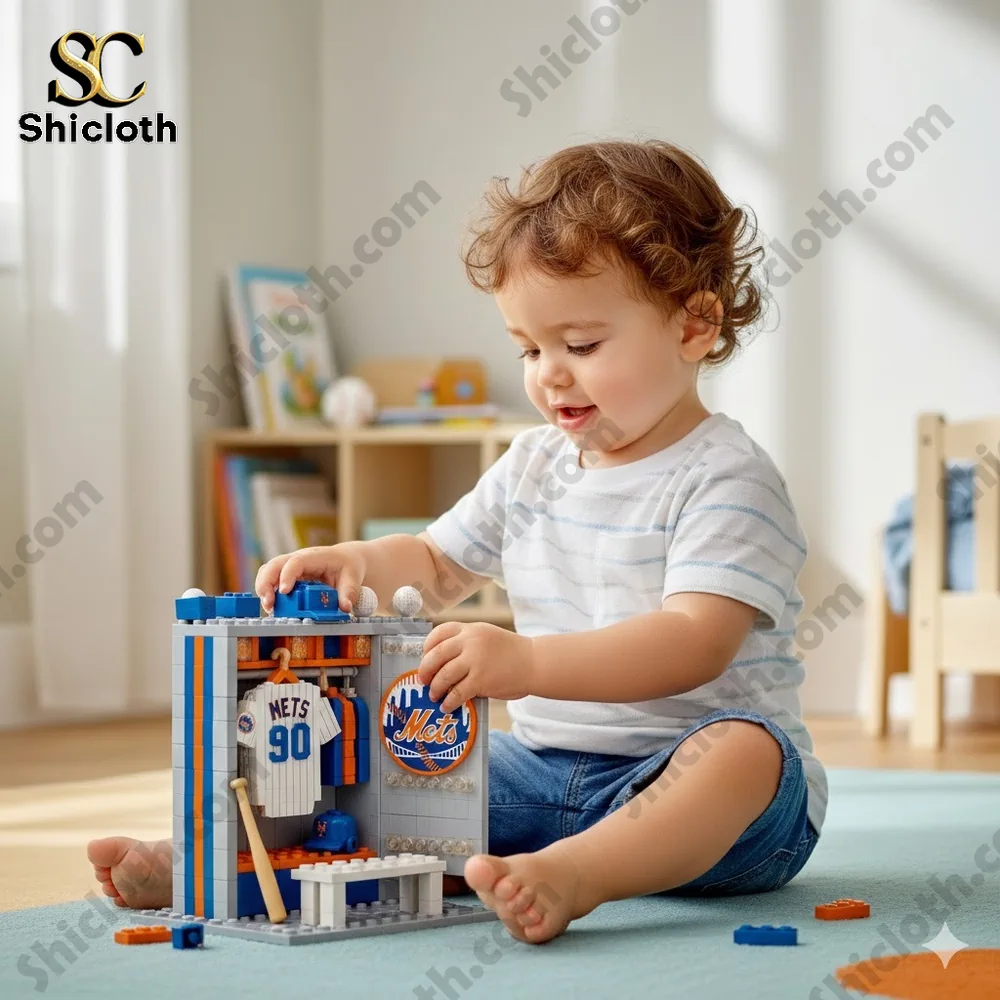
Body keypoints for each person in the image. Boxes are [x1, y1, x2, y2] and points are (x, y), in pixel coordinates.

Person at [89, 138, 826, 945]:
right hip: (546, 770)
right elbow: (439, 565)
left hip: (711, 799)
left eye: (580, 345)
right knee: (395, 765)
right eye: (529, 348)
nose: (549, 372)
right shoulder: (534, 462)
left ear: (695, 324)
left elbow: (695, 643)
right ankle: (228, 854)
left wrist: (528, 664)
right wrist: (358, 562)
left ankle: (582, 873)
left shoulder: (727, 476)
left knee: (741, 754)